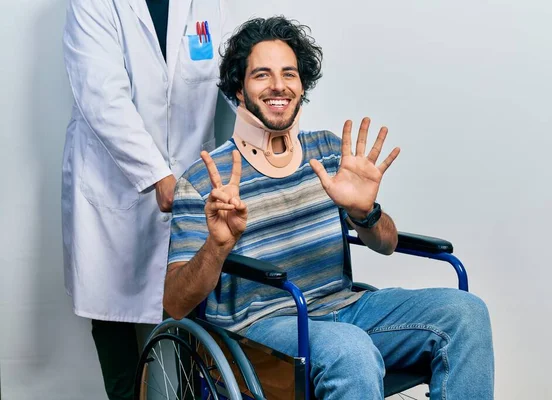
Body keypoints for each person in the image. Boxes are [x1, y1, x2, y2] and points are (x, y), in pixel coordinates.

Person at [163, 16, 494, 400]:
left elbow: (385, 243)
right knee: (348, 350)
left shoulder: (328, 152)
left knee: (466, 313)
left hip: (346, 309)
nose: (278, 86)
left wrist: (365, 212)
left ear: (302, 86)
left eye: (289, 74)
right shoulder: (205, 180)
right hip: (261, 330)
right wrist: (217, 246)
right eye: (261, 75)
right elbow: (174, 303)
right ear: (238, 89)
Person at [61, 0, 228, 398]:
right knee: (111, 308)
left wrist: (268, 118)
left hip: (189, 176)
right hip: (112, 180)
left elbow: (231, 71)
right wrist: (156, 174)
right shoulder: (91, 3)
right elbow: (102, 96)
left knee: (190, 297)